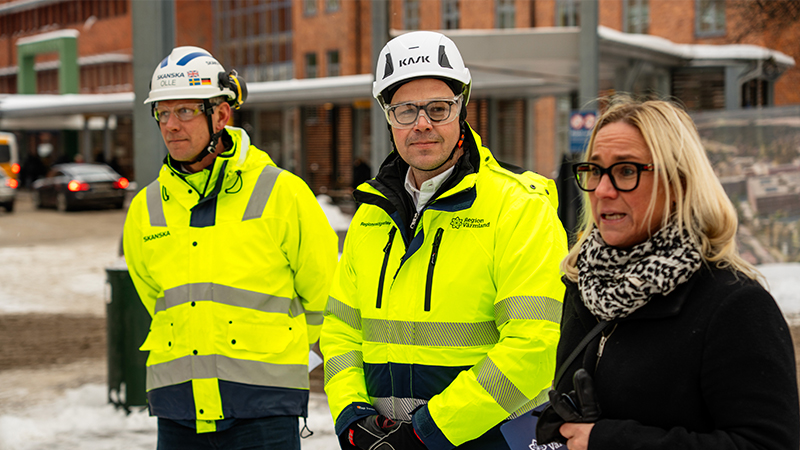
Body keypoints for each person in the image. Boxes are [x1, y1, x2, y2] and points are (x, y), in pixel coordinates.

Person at [320, 31, 568, 450]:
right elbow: (341, 330)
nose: (422, 124)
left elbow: (536, 345)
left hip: (492, 441)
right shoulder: (371, 215)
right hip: (385, 442)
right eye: (405, 111)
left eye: (438, 108)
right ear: (388, 118)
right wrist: (351, 414)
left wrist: (428, 430)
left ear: (462, 109)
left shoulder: (518, 207)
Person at [536, 96, 800, 450]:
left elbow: (767, 443)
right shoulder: (585, 284)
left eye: (626, 171)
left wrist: (608, 440)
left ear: (678, 184)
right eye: (595, 170)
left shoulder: (735, 305)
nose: (602, 190)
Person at [122, 46, 338, 449]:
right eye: (162, 113)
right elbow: (156, 298)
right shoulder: (145, 208)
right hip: (178, 409)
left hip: (264, 408)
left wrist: (280, 345)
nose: (171, 125)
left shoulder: (283, 193)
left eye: (185, 111)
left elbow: (324, 291)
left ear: (221, 115)